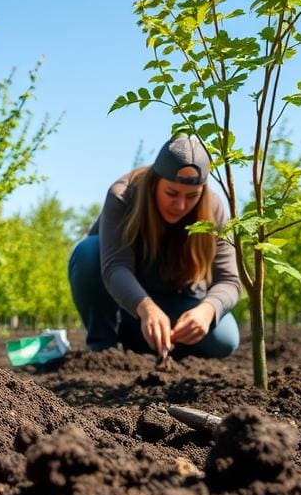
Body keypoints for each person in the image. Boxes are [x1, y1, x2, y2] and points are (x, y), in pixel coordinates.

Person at [68, 134, 241, 367]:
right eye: (171, 193)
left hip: (178, 299)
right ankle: (104, 351)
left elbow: (230, 280)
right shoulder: (123, 195)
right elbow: (115, 266)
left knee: (224, 339)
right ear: (155, 182)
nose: (180, 205)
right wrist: (146, 307)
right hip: (129, 298)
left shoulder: (214, 208)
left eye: (192, 196)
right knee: (88, 251)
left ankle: (148, 340)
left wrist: (208, 310)